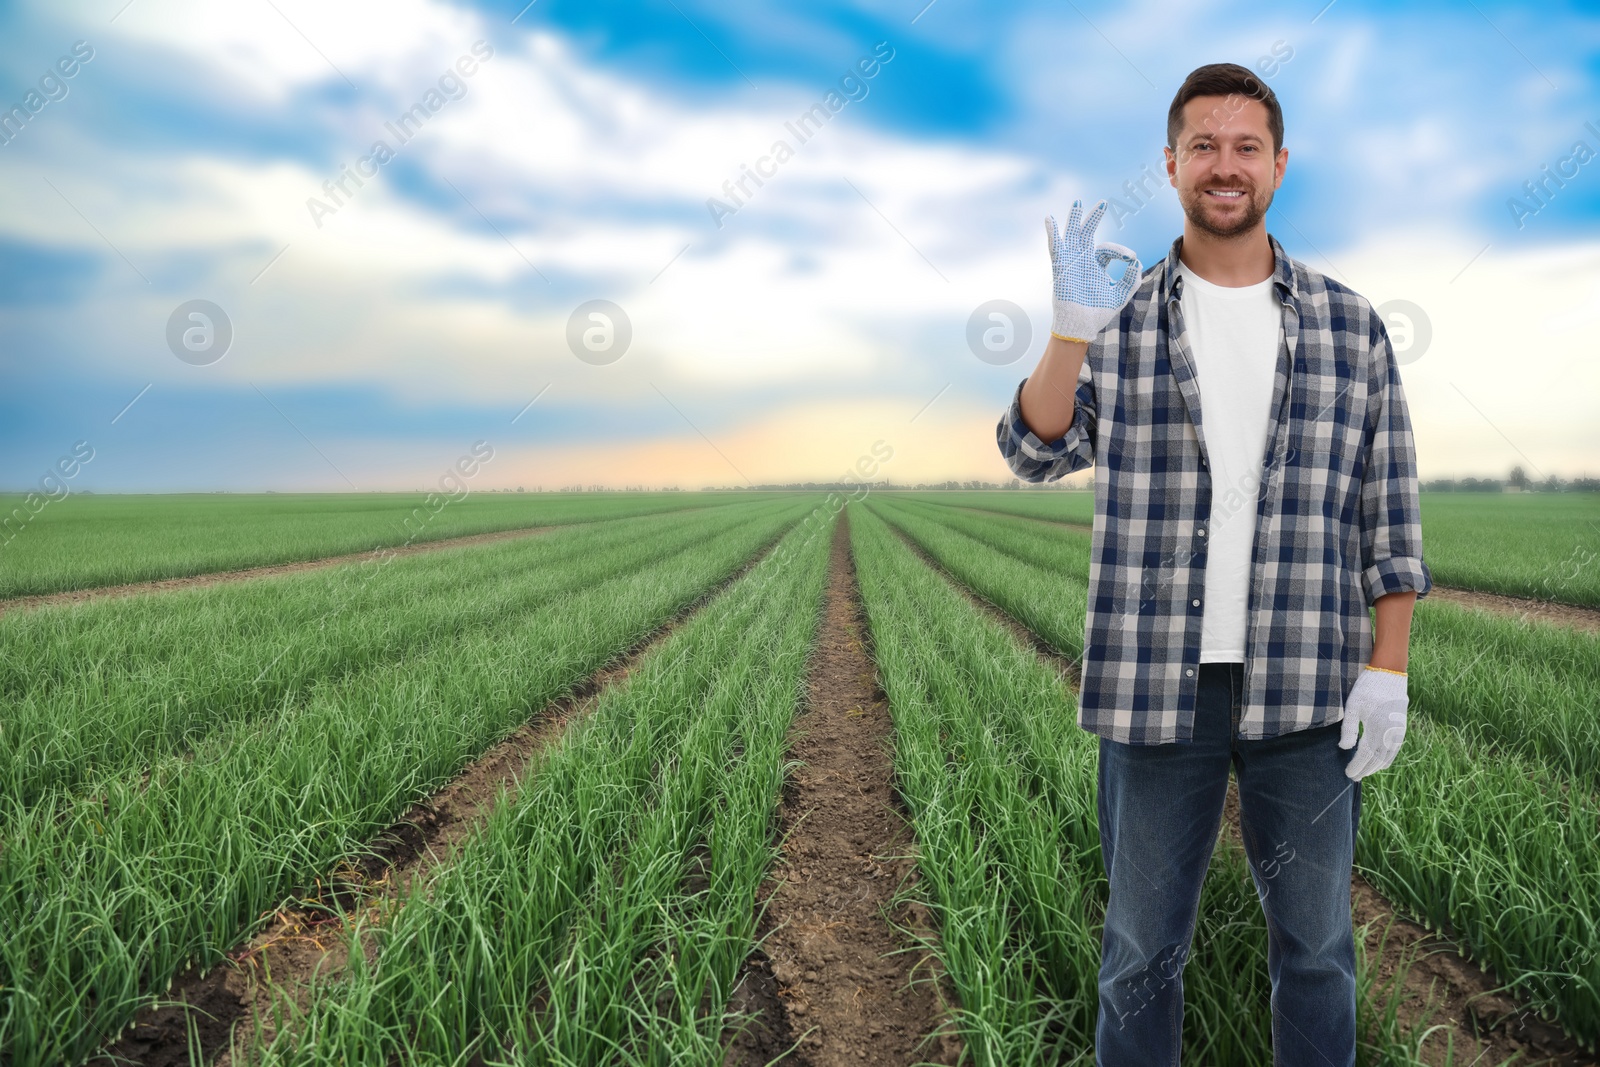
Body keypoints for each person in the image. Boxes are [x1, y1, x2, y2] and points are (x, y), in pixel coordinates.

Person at [995, 61, 1431, 1066]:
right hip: (1157, 692)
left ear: (1278, 165)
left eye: (1245, 147)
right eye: (1203, 146)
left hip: (1307, 689)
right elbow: (1033, 450)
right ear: (1172, 162)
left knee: (1317, 948)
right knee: (1140, 951)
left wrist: (1390, 661)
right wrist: (1068, 333)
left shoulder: (1348, 323)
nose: (1223, 165)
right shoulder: (1119, 315)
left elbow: (1387, 505)